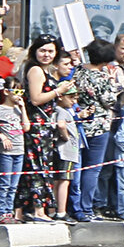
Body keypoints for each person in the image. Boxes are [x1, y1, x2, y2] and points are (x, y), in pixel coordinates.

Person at [17, 35, 73, 222]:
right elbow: (35, 98)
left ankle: (36, 209)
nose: (46, 55)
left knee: (44, 166)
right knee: (38, 167)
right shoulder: (35, 70)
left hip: (47, 126)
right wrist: (58, 91)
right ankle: (37, 210)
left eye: (50, 51)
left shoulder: (45, 71)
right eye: (43, 50)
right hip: (37, 126)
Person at [72, 39, 119, 222]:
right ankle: (86, 206)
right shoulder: (101, 78)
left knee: (78, 168)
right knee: (92, 169)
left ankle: (75, 205)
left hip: (79, 123)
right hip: (98, 127)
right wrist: (114, 83)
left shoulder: (78, 72)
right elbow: (109, 100)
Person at [0, 80, 29, 225]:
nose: (18, 95)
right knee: (4, 183)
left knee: (14, 184)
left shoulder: (18, 109)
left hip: (20, 149)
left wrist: (23, 108)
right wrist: (2, 137)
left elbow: (26, 127)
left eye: (21, 92)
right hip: (7, 152)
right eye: (16, 91)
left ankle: (9, 211)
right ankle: (1, 212)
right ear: (6, 92)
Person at [52, 87, 81, 221]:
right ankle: (61, 212)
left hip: (63, 152)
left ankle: (55, 209)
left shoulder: (60, 110)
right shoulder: (62, 111)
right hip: (67, 151)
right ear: (61, 97)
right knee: (64, 181)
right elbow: (61, 125)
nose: (74, 101)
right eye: (71, 98)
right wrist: (66, 137)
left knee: (59, 180)